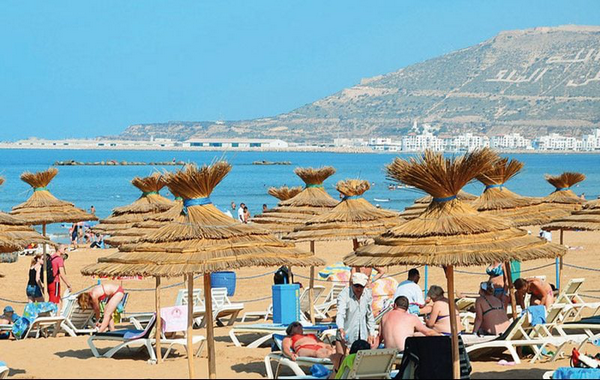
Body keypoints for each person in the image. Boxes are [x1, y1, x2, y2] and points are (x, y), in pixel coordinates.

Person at [335, 272, 377, 355]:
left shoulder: (367, 294)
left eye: (361, 286)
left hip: (362, 336)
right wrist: (341, 328)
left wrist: (371, 332)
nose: (358, 289)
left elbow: (369, 315)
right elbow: (340, 313)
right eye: (356, 286)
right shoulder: (344, 294)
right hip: (346, 334)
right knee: (341, 361)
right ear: (352, 284)